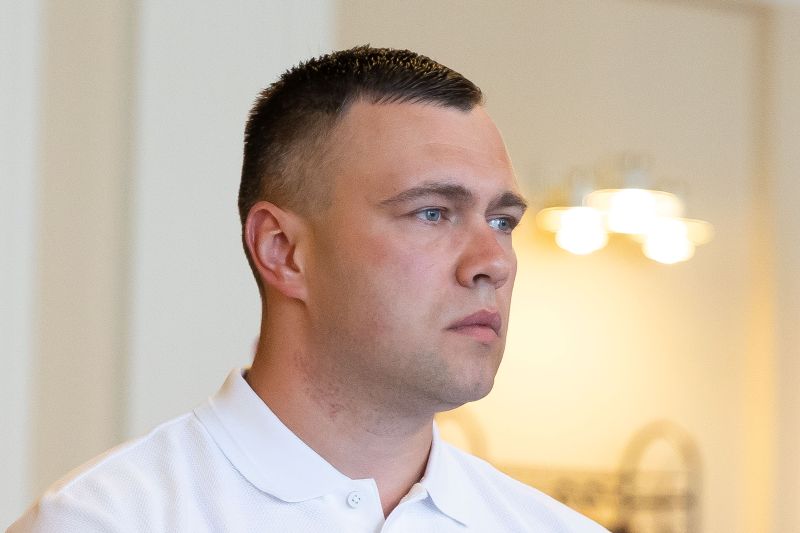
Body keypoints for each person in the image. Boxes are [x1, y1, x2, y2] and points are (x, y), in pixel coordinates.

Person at [9, 46, 608, 532]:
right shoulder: (106, 521)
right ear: (283, 250)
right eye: (432, 213)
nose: (493, 263)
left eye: (502, 221)